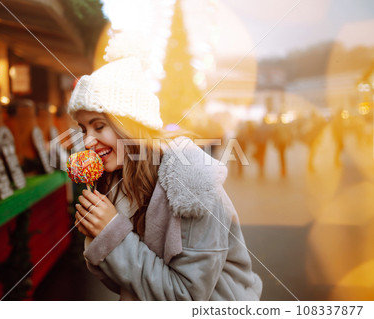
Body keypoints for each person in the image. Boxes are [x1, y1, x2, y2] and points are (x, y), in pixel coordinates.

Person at [67, 51, 262, 301]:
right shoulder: (117, 182)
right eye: (83, 129)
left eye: (99, 126)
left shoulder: (193, 185)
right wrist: (99, 233)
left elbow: (187, 297)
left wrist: (112, 233)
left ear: (131, 125)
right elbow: (127, 284)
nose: (87, 141)